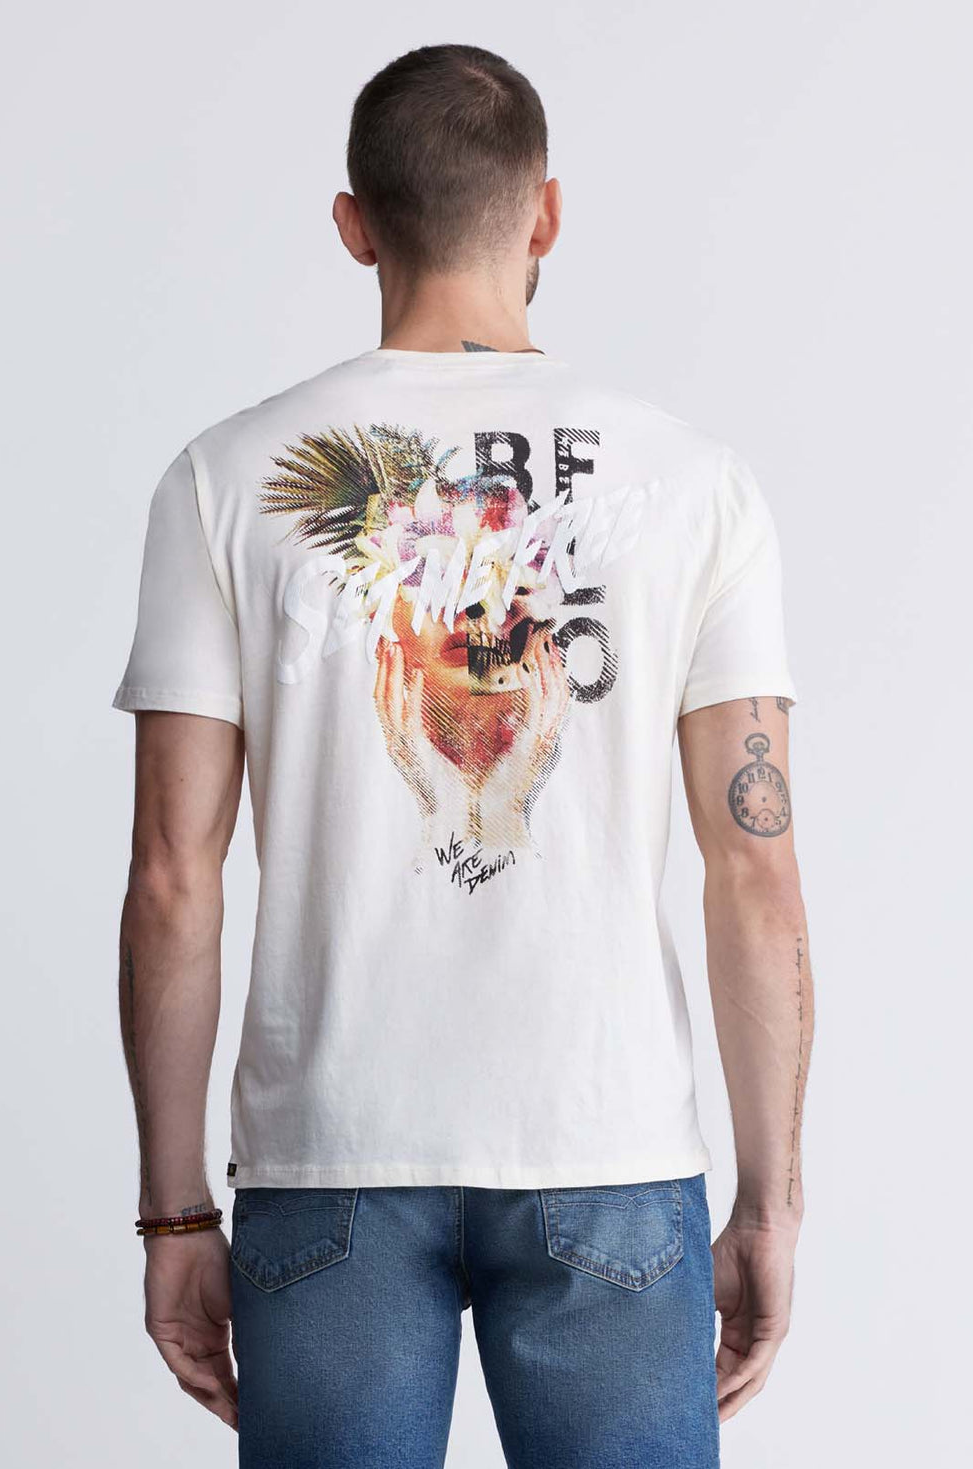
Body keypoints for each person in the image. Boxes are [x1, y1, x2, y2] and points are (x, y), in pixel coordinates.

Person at [114, 43, 813, 1469]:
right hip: (610, 1147)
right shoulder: (693, 483)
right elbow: (755, 868)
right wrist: (772, 1200)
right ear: (546, 213)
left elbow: (174, 877)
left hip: (331, 1154)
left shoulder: (224, 478)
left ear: (353, 224)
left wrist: (175, 1210)